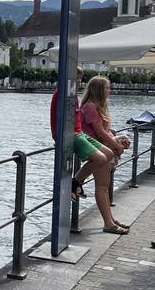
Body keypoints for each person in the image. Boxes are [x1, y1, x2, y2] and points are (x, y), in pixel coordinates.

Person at [50, 68, 128, 234]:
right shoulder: (66, 94)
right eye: (107, 88)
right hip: (72, 135)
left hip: (79, 134)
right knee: (101, 171)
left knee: (107, 157)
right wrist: (116, 145)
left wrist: (115, 142)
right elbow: (98, 132)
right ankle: (75, 183)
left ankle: (109, 219)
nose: (79, 81)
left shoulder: (75, 96)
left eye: (80, 78)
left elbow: (99, 130)